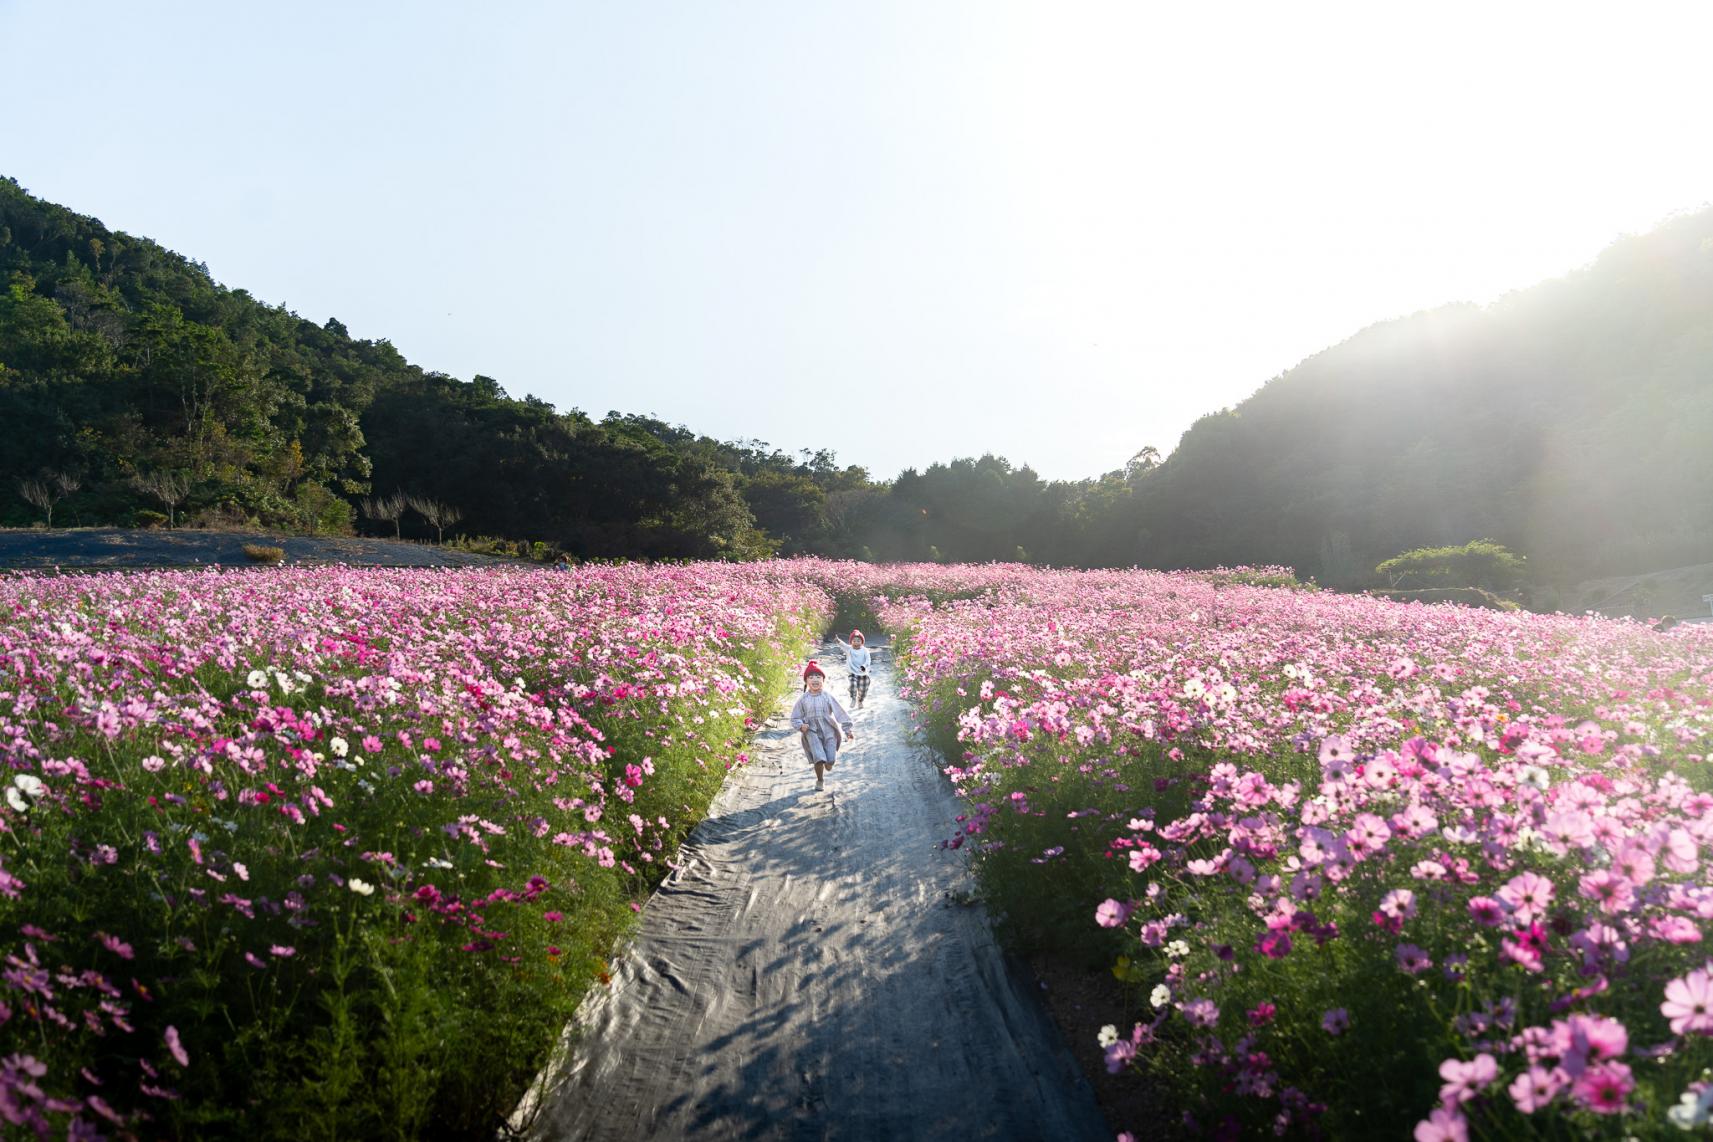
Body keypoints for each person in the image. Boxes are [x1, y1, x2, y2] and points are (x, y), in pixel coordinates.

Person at [790, 660, 854, 791]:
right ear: (806, 681)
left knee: (830, 760)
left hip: (829, 730)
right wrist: (800, 725)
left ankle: (829, 763)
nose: (815, 679)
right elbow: (795, 717)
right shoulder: (803, 699)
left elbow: (839, 712)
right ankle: (820, 780)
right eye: (811, 677)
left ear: (823, 680)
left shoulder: (827, 696)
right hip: (811, 731)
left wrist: (847, 729)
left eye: (818, 677)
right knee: (819, 758)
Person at [832, 629, 884, 709]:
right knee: (853, 684)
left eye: (858, 641)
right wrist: (838, 641)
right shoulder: (849, 649)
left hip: (863, 673)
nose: (856, 643)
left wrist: (864, 666)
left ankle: (860, 700)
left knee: (864, 688)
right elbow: (843, 645)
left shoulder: (865, 650)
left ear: (862, 642)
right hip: (852, 672)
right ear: (851, 642)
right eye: (854, 641)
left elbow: (868, 660)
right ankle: (853, 698)